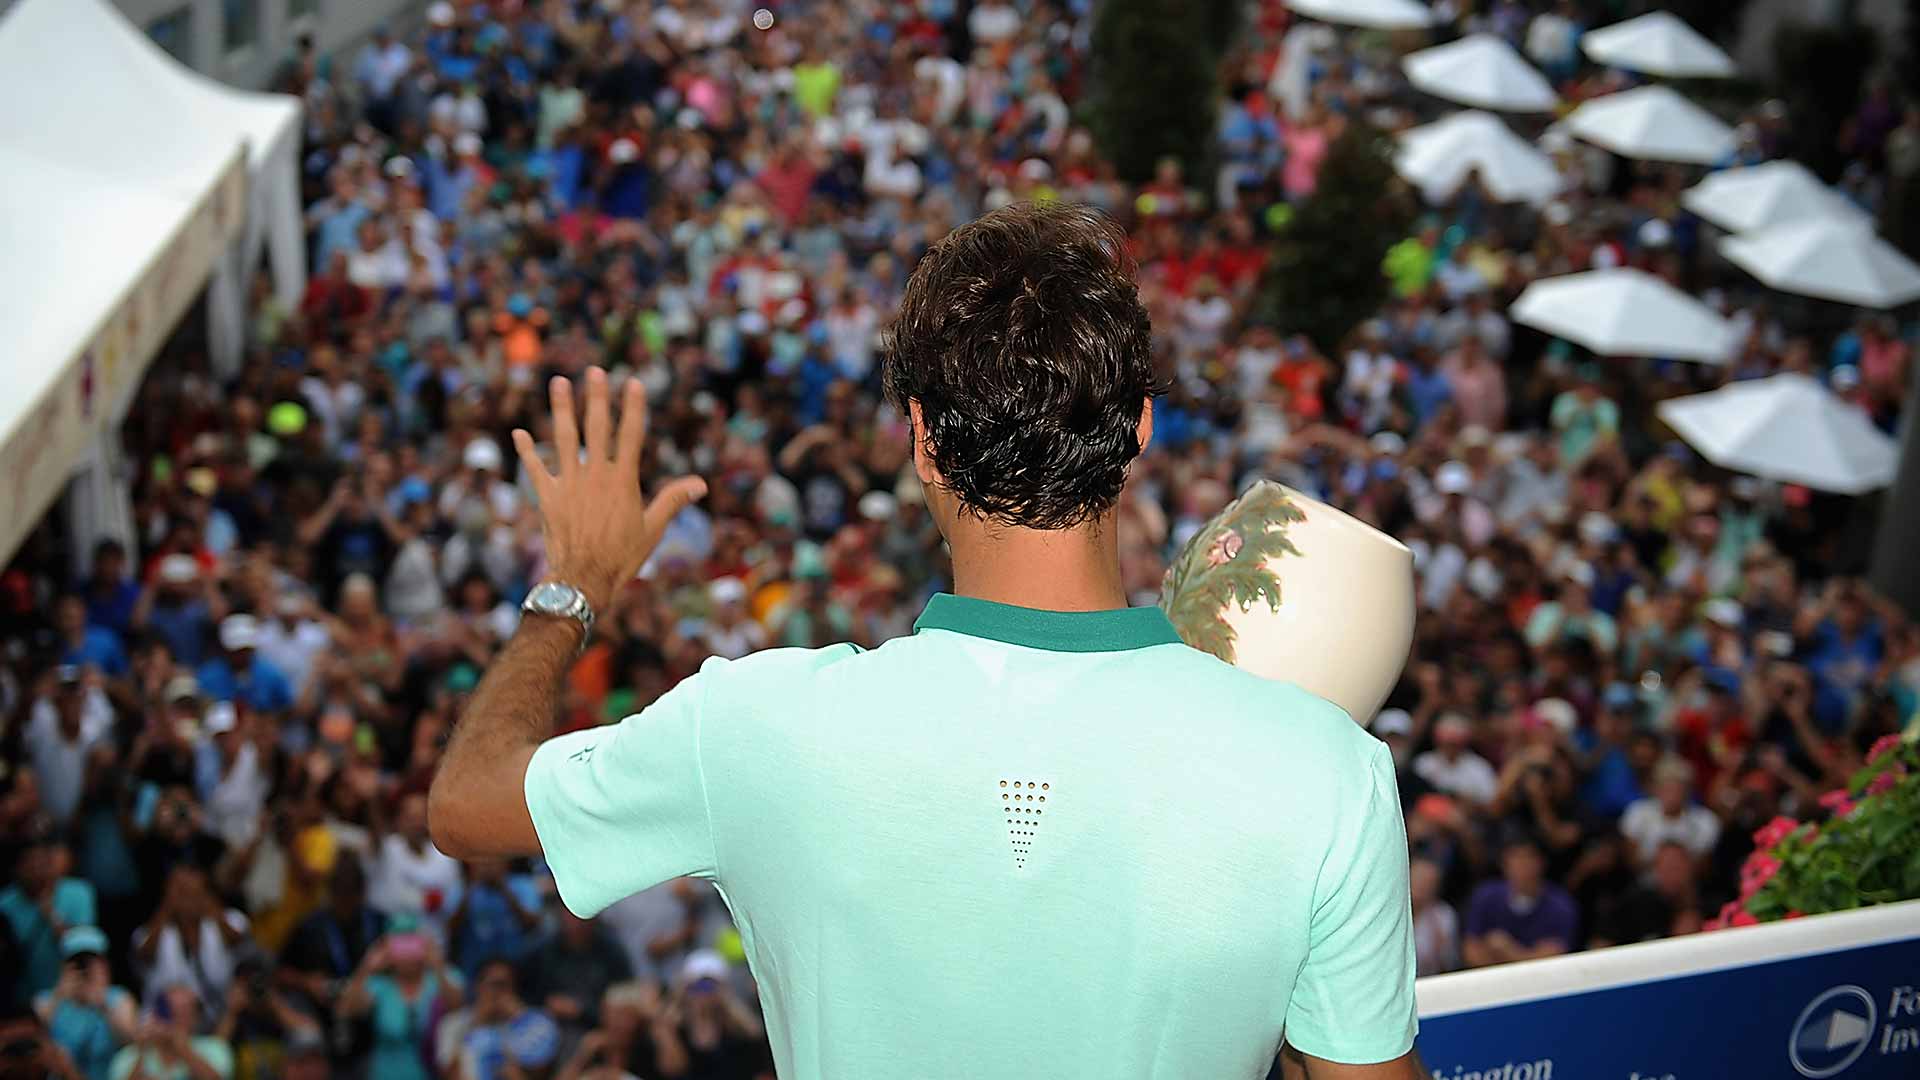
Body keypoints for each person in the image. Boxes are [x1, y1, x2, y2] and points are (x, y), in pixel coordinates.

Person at [429, 204, 1420, 1077]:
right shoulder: (1327, 773)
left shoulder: (752, 725)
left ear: (923, 443)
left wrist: (572, 592)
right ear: (1142, 429)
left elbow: (465, 804)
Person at [33, 928, 136, 1080]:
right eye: (77, 963)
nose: (84, 970)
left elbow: (131, 1041)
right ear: (63, 966)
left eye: (91, 962)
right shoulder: (45, 1000)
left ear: (105, 965)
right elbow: (34, 1041)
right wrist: (59, 996)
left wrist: (102, 1004)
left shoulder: (120, 998)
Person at [1462, 836, 1579, 968]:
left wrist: (1508, 951)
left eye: (1528, 857)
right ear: (1503, 863)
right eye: (1515, 858)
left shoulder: (1560, 905)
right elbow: (1471, 952)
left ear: (1542, 862)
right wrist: (1530, 955)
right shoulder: (1486, 896)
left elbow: (1553, 958)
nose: (1521, 864)